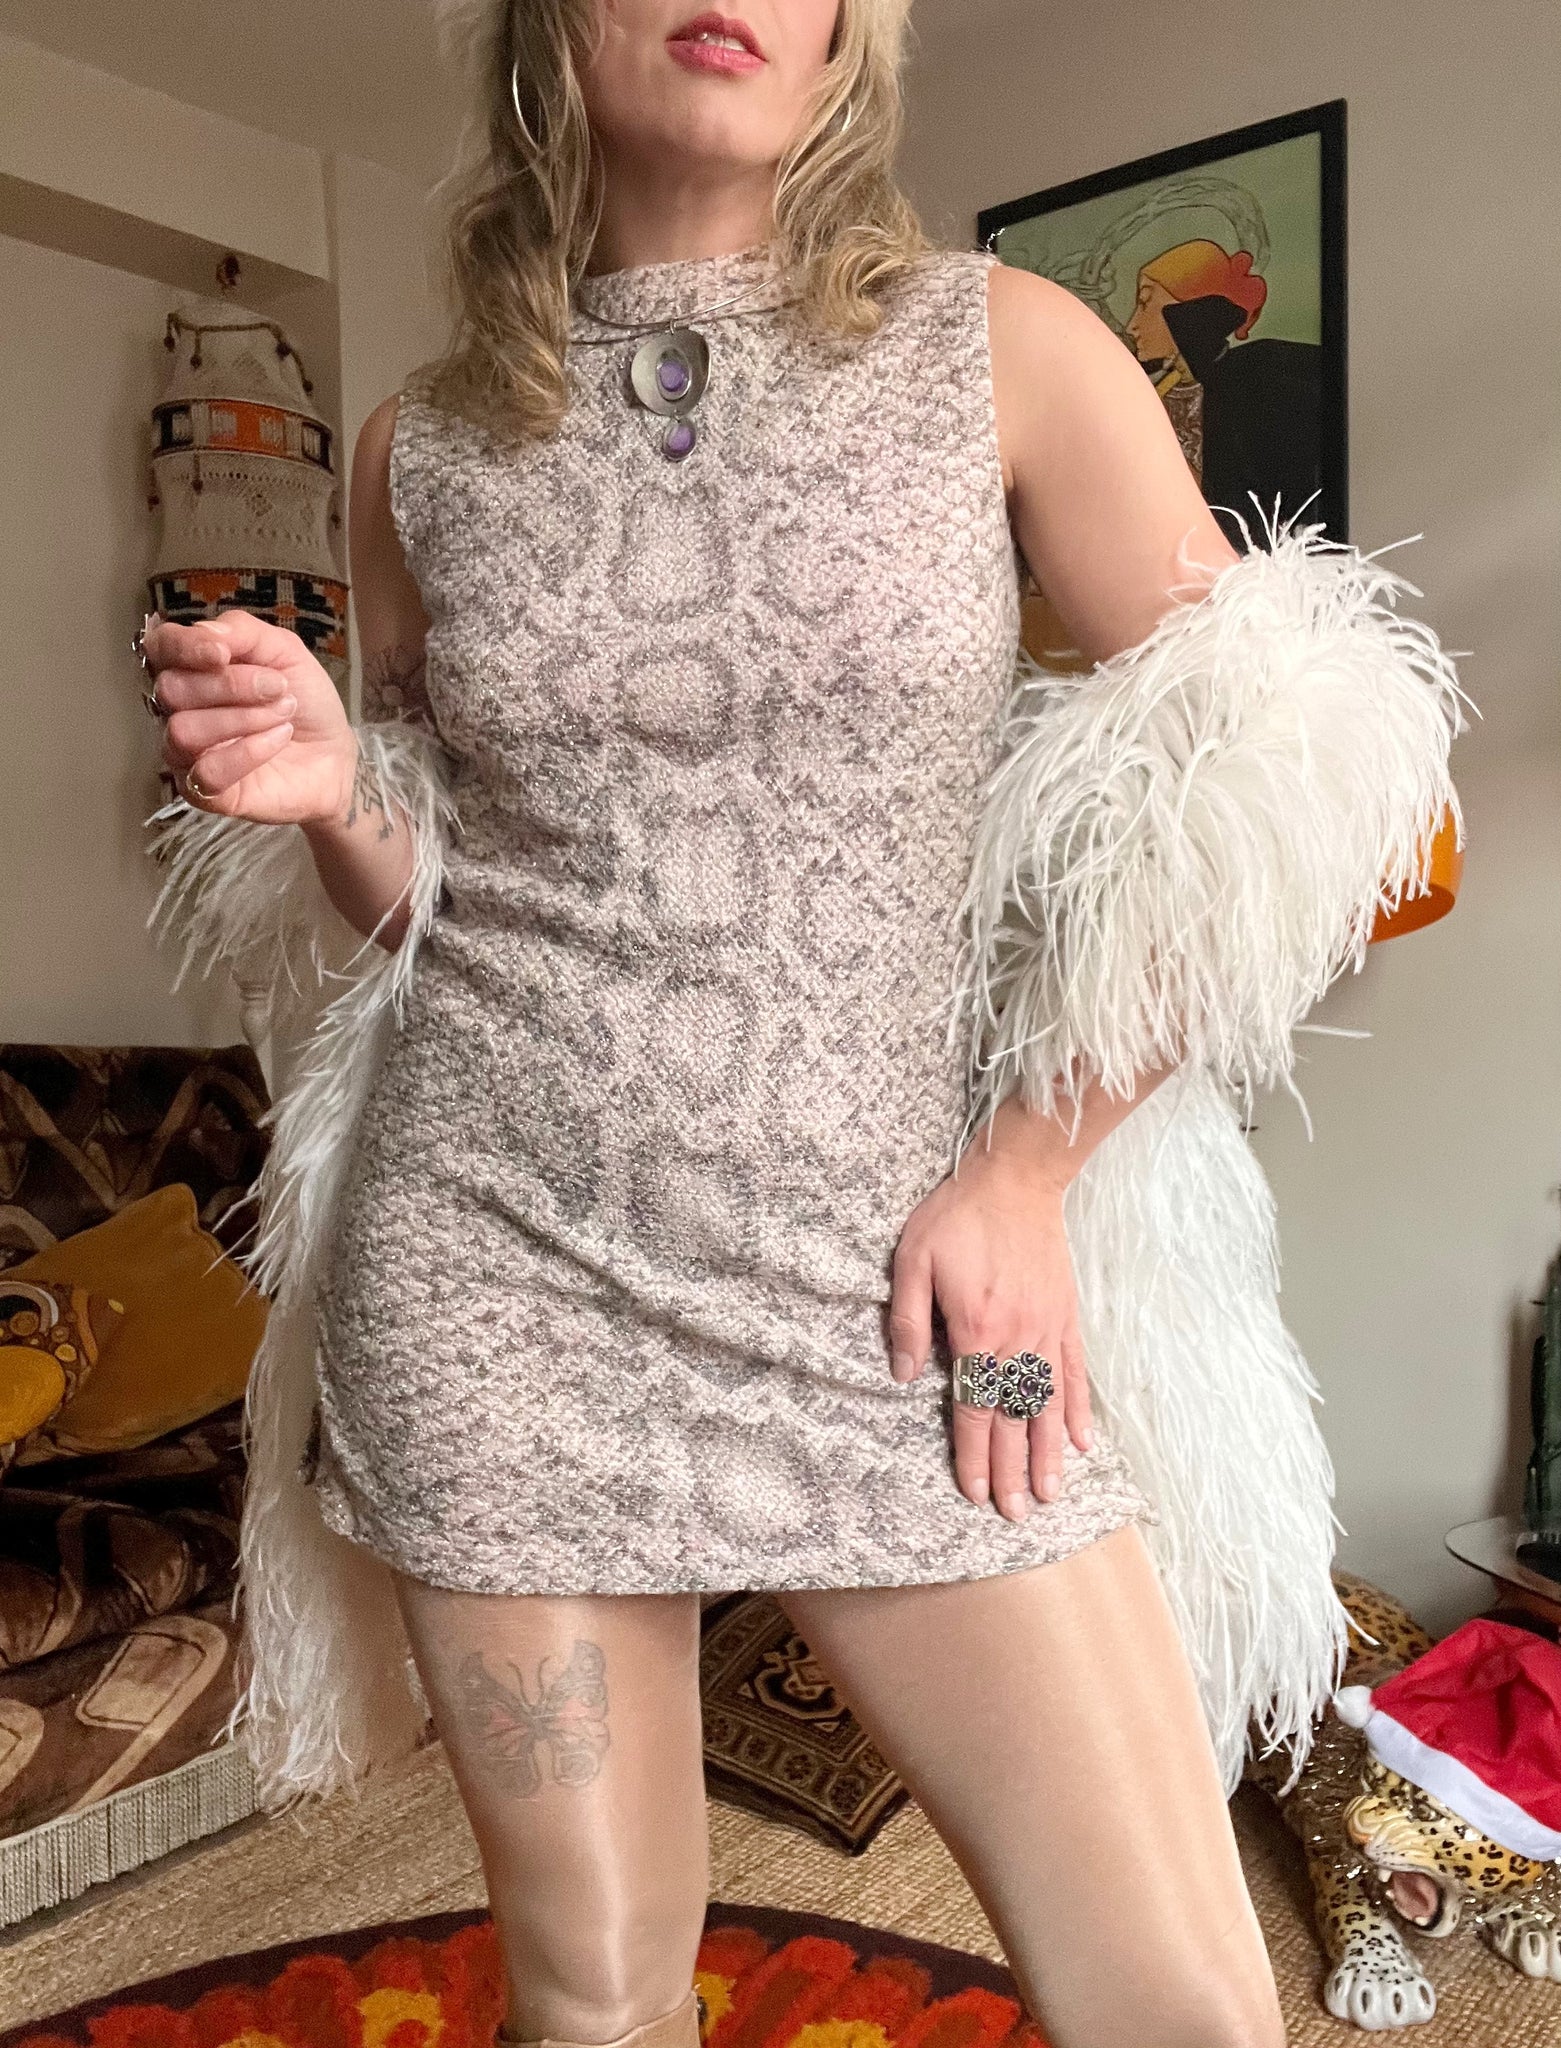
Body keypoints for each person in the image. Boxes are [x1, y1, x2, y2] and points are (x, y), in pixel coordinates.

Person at [137, 5, 1464, 2047]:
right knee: (594, 2003)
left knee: (1179, 2004)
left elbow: (1274, 787)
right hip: (496, 1287)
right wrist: (336, 792)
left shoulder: (1004, 348)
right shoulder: (419, 447)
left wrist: (1026, 1175)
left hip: (909, 1290)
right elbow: (444, 909)